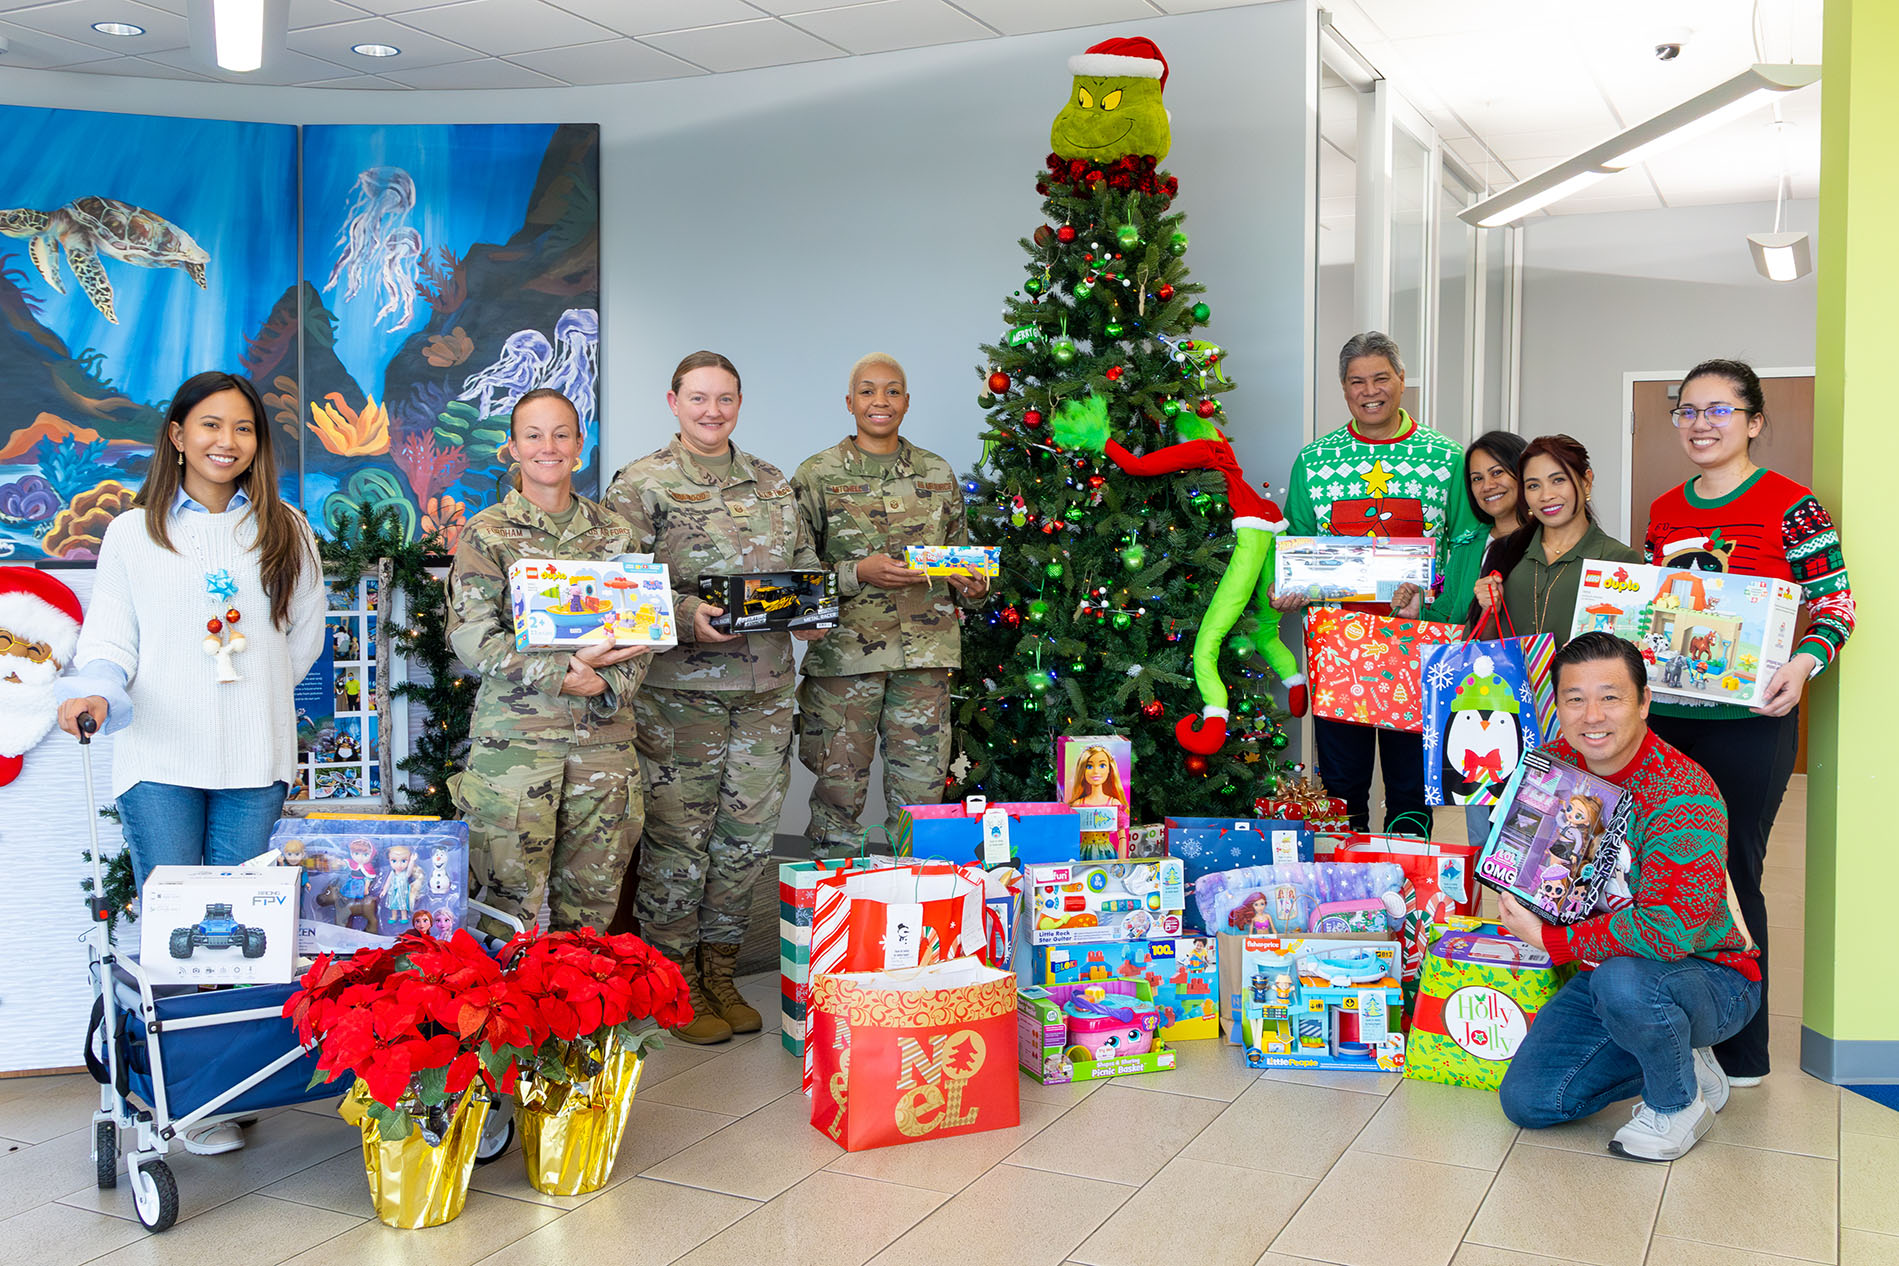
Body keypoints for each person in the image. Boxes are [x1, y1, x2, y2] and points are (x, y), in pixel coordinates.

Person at [54, 370, 326, 1157]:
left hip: (254, 754)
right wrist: (96, 692)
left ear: (256, 444)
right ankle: (180, 1088)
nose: (225, 442)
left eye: (242, 429)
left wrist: (248, 695)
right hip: (160, 753)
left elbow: (299, 639)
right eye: (209, 425)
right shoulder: (132, 533)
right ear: (176, 434)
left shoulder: (286, 530)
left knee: (241, 931)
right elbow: (111, 638)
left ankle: (219, 1091)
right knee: (174, 929)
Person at [1641, 358, 1853, 1086]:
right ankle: (1673, 1026)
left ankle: (1742, 1051)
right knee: (1664, 871)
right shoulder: (1665, 509)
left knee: (1734, 871)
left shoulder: (1793, 506)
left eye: (1717, 410)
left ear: (1753, 421)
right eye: (1687, 411)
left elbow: (1833, 604)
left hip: (1748, 720)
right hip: (1665, 720)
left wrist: (1802, 667)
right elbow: (1656, 612)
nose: (1699, 424)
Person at [604, 351, 825, 1046]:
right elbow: (617, 585)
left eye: (724, 398)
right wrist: (680, 613)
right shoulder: (640, 484)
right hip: (680, 695)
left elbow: (804, 567)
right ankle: (672, 982)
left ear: (738, 402)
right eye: (698, 398)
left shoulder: (770, 482)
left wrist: (815, 607)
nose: (712, 411)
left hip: (762, 690)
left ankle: (721, 969)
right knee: (678, 841)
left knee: (745, 843)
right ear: (673, 401)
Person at [1496, 632, 1759, 1161]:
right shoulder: (1552, 768)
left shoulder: (1682, 792)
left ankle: (1675, 1106)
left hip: (1711, 974)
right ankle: (1679, 1053)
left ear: (1643, 702)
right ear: (1559, 706)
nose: (1591, 715)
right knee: (1529, 1100)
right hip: (1609, 973)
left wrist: (1553, 940)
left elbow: (1668, 931)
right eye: (1575, 699)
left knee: (1625, 979)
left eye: (1610, 697)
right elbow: (1520, 861)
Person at [447, 388, 650, 935]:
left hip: (603, 746)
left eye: (561, 434)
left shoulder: (616, 534)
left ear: (580, 444)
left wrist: (601, 685)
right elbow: (470, 634)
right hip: (516, 746)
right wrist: (562, 674)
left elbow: (643, 633)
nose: (548, 447)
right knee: (505, 906)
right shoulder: (486, 533)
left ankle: (580, 1021)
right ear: (512, 447)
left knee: (592, 906)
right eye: (533, 435)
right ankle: (501, 1019)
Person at [1276, 331, 1480, 833]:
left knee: (1413, 785)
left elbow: (1467, 543)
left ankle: (1409, 900)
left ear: (1403, 380)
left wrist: (1444, 614)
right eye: (1356, 381)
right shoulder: (1314, 460)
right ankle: (1351, 898)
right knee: (1342, 786)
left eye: (1381, 377)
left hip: (1420, 646)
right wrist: (1288, 587)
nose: (1370, 390)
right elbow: (1298, 544)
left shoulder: (1448, 457)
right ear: (1344, 390)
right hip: (1337, 646)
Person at [790, 354, 987, 859]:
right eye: (868, 391)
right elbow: (796, 578)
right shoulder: (816, 475)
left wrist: (975, 585)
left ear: (906, 401)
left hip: (925, 658)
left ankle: (920, 909)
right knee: (838, 792)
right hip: (844, 659)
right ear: (850, 401)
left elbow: (965, 559)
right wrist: (860, 572)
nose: (881, 401)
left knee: (922, 796)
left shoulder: (937, 472)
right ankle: (832, 916)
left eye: (892, 391)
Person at [1393, 430, 1528, 844]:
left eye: (1498, 472)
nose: (1488, 485)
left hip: (1532, 692)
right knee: (1481, 833)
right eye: (1476, 478)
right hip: (1474, 700)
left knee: (1533, 825)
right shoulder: (1468, 545)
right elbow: (1449, 618)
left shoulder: (1545, 539)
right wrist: (1418, 614)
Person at [1473, 434, 1641, 638]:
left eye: (1558, 480)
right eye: (1533, 485)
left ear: (1586, 481)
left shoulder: (1620, 561)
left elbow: (1625, 651)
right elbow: (1481, 649)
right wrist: (1489, 610)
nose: (1546, 496)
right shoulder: (1505, 551)